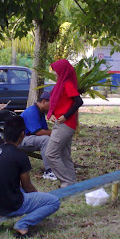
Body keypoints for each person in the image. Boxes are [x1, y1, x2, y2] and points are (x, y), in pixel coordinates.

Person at [0, 116, 60, 238]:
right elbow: (27, 186)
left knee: (17, 189)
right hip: (11, 205)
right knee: (54, 201)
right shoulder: (20, 156)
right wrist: (37, 198)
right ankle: (22, 225)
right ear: (22, 134)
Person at [45, 59, 83, 188]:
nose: (54, 73)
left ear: (62, 71)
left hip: (65, 125)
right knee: (64, 155)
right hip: (63, 125)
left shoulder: (67, 84)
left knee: (50, 154)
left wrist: (65, 116)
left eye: (56, 70)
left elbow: (78, 102)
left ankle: (66, 182)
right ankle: (72, 185)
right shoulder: (63, 84)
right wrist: (54, 115)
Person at [19, 91, 57, 180]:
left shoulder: (40, 112)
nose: (52, 107)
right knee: (45, 139)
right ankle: (49, 171)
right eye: (51, 104)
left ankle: (59, 167)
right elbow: (39, 132)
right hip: (20, 140)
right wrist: (56, 132)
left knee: (56, 138)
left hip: (29, 138)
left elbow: (46, 130)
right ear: (44, 102)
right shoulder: (31, 111)